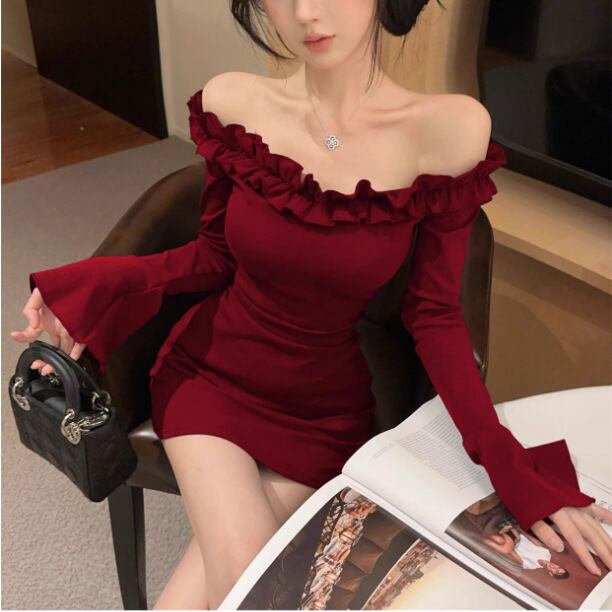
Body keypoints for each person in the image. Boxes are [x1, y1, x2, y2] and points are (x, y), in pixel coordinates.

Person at [10, 0, 612, 608]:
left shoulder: (449, 129)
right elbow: (213, 256)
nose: (305, 12)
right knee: (256, 586)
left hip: (323, 413)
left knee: (227, 587)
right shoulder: (235, 101)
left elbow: (434, 316)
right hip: (211, 377)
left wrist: (515, 474)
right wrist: (84, 287)